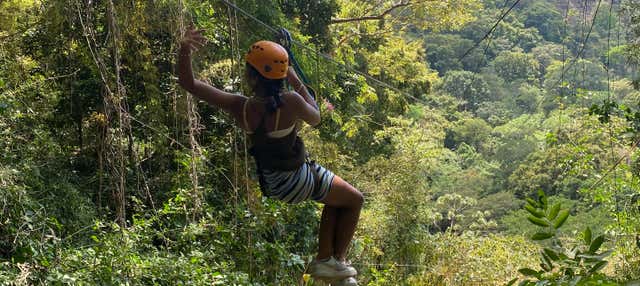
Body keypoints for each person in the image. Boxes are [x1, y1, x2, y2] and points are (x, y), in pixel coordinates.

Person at [177, 25, 364, 285]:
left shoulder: (240, 106)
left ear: (252, 78)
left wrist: (185, 47)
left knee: (337, 200)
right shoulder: (291, 101)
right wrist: (296, 79)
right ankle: (336, 261)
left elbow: (189, 84)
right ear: (280, 77)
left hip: (275, 184)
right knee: (354, 200)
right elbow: (317, 116)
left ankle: (326, 259)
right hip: (299, 178)